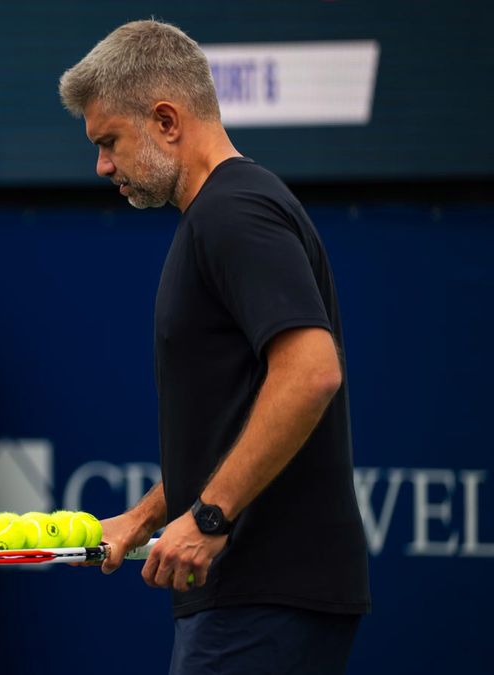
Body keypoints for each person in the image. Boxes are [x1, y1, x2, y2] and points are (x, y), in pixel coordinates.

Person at [58, 20, 371, 675]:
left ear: (166, 120)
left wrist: (208, 517)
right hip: (258, 592)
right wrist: (146, 516)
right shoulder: (224, 211)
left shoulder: (235, 211)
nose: (102, 166)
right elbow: (233, 419)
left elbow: (310, 372)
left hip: (265, 589)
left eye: (109, 141)